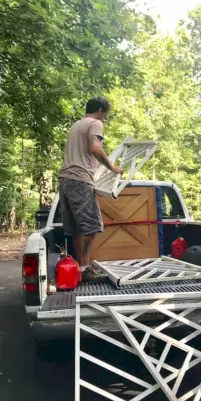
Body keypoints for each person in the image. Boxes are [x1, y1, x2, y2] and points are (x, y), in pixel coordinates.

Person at [59, 97, 123, 282]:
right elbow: (95, 148)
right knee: (91, 227)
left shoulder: (76, 126)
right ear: (101, 110)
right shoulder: (95, 123)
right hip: (80, 180)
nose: (105, 120)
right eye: (106, 115)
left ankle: (80, 269)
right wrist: (113, 168)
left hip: (65, 181)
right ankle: (86, 269)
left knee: (78, 229)